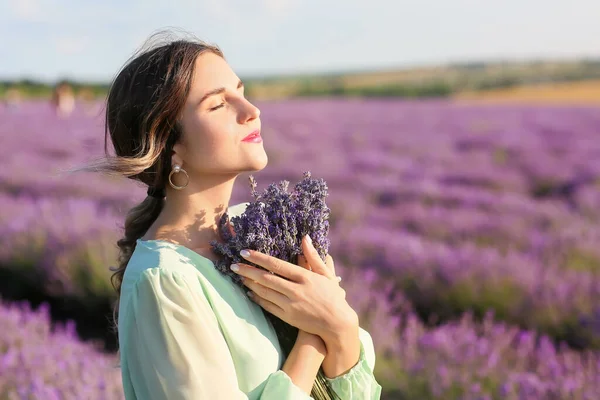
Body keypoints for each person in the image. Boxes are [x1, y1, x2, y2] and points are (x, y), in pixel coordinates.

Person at [93, 30, 382, 399]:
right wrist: (316, 332)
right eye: (218, 105)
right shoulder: (164, 281)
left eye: (241, 92)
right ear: (170, 145)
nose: (251, 112)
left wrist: (340, 328)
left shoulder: (264, 229)